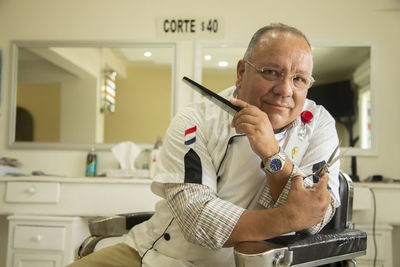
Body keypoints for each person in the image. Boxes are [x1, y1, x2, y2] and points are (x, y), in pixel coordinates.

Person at [69, 23, 340, 267]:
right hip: (166, 256)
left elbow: (317, 215)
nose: (285, 90)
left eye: (299, 79)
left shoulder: (319, 124)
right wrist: (288, 218)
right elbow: (198, 219)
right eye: (271, 72)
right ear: (242, 72)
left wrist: (272, 154)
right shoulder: (195, 120)